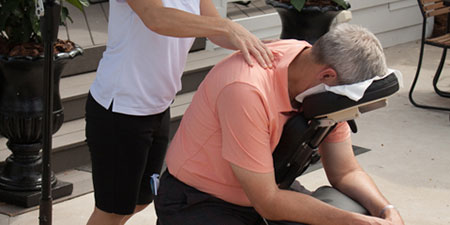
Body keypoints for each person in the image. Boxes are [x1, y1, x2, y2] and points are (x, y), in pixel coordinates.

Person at [154, 23, 405, 225]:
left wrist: (385, 211)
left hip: (269, 187)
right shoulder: (245, 89)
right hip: (199, 199)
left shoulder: (315, 70)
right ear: (327, 76)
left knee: (355, 208)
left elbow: (345, 171)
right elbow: (268, 203)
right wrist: (354, 222)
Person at [84, 0, 275, 224]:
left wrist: (260, 47)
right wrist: (225, 27)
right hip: (121, 108)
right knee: (111, 210)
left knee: (140, 200)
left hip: (158, 106)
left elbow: (215, 30)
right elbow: (156, 17)